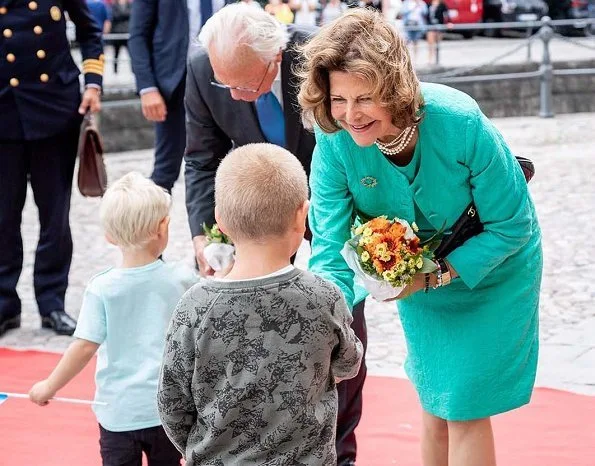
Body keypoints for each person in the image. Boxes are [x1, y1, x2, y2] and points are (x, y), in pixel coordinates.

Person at [298, 9, 542, 466]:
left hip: (495, 267)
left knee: (466, 407)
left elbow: (513, 226)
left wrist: (432, 279)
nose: (350, 115)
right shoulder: (333, 142)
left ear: (394, 87)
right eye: (338, 100)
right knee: (435, 402)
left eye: (365, 98)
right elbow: (329, 247)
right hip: (418, 277)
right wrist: (323, 319)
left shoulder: (460, 120)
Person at [184, 5, 368, 463]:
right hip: (260, 208)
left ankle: (337, 451)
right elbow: (201, 159)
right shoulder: (204, 67)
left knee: (339, 309)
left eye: (249, 83)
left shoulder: (318, 56)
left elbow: (352, 134)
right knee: (257, 324)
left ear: (278, 54)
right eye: (228, 85)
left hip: (328, 197)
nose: (239, 96)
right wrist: (203, 236)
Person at [158, 143, 363, 465]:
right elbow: (348, 363)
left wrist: (196, 450)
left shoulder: (194, 306)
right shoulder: (323, 296)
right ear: (302, 215)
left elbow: (172, 400)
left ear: (219, 221)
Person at [29, 172, 197, 466]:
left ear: (109, 236)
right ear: (164, 227)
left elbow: (83, 347)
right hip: (170, 411)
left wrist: (49, 386)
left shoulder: (102, 288)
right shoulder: (182, 278)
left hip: (119, 412)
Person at [0, 0, 103, 337]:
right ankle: (4, 304)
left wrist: (92, 83)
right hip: (4, 110)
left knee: (55, 215)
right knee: (3, 215)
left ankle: (52, 303)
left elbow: (89, 29)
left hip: (54, 107)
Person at [127, 0, 227, 193]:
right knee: (165, 170)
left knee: (227, 163)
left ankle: (224, 221)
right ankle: (156, 221)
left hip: (224, 80)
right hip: (173, 84)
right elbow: (138, 35)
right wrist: (147, 87)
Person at [109, 0, 131, 74]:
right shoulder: (114, 5)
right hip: (117, 32)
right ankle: (115, 70)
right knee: (116, 53)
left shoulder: (129, 4)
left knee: (131, 53)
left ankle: (133, 69)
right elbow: (114, 16)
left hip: (126, 32)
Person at [425, 0, 449, 65]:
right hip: (430, 25)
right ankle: (430, 59)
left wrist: (448, 22)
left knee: (437, 44)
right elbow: (426, 15)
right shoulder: (429, 4)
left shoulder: (442, 4)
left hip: (439, 25)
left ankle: (437, 59)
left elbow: (447, 14)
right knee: (430, 43)